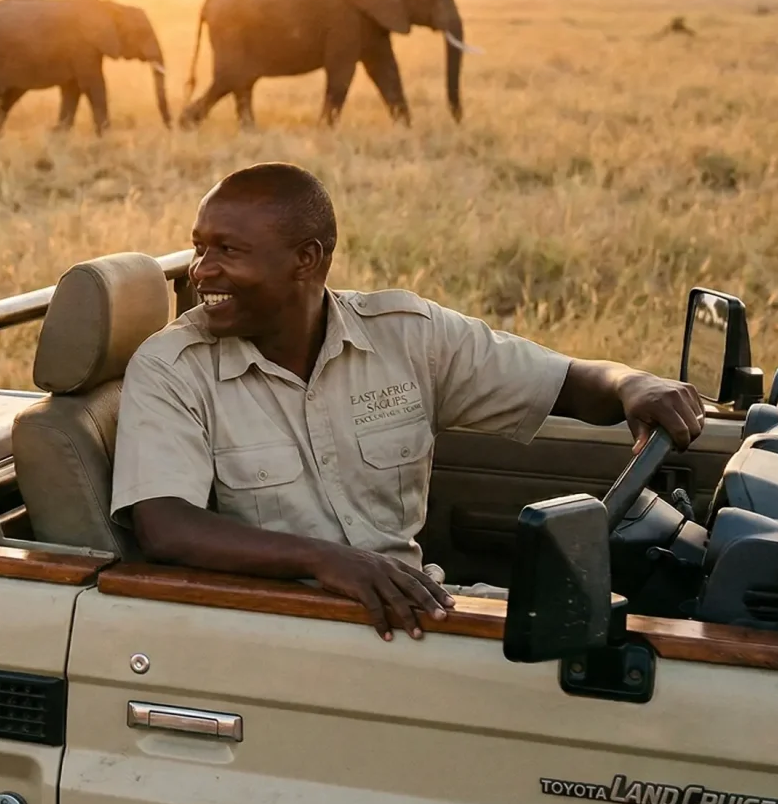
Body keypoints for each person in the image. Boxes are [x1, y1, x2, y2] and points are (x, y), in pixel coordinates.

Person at [111, 162, 704, 641]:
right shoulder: (171, 367)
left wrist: (632, 384)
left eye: (227, 252)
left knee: (639, 635)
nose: (201, 271)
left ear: (306, 259)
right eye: (199, 247)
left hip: (415, 612)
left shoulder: (406, 333)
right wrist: (328, 561)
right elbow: (168, 528)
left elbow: (568, 382)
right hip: (286, 627)